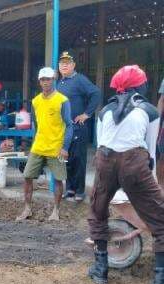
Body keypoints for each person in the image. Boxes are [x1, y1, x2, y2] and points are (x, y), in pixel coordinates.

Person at [87, 65, 163, 284]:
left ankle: (100, 271)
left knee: (98, 210)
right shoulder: (150, 112)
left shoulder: (104, 111)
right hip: (135, 163)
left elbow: (101, 145)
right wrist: (149, 185)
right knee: (160, 221)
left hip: (105, 161)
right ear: (140, 86)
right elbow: (150, 151)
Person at [16, 67, 74, 222]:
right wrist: (32, 145)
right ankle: (27, 209)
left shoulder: (62, 100)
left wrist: (65, 147)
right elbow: (37, 125)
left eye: (48, 79)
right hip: (39, 146)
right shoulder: (36, 101)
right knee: (27, 176)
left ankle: (56, 211)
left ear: (53, 79)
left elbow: (69, 125)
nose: (46, 82)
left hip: (56, 148)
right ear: (39, 82)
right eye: (43, 79)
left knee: (58, 179)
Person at [56, 51, 102, 202]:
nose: (64, 65)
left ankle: (80, 191)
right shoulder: (60, 83)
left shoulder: (79, 79)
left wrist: (87, 114)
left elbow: (96, 93)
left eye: (67, 63)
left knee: (78, 160)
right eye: (62, 63)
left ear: (73, 65)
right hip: (64, 129)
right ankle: (70, 189)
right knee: (66, 159)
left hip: (78, 128)